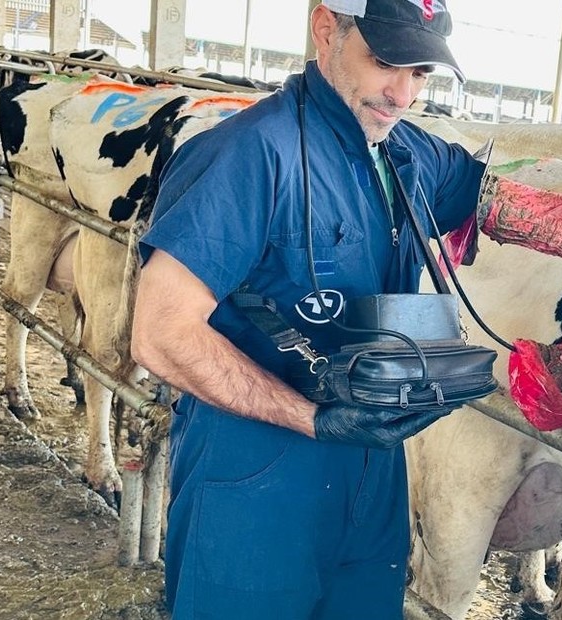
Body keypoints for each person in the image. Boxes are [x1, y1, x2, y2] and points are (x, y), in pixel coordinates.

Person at [130, 1, 484, 617]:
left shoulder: (409, 153)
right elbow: (161, 333)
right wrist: (312, 419)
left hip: (373, 466)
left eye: (421, 73)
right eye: (385, 62)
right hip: (257, 467)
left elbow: (499, 191)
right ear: (327, 29)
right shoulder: (247, 154)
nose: (402, 94)